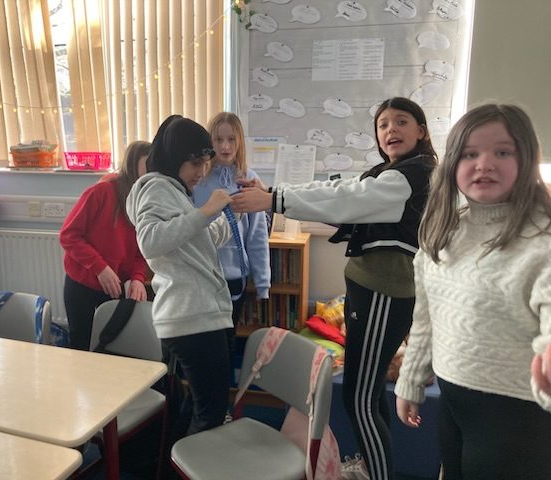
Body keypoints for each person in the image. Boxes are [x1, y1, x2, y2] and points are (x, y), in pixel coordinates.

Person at [232, 97, 438, 480]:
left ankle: (378, 473)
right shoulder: (390, 172)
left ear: (421, 131)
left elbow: (345, 200)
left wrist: (273, 199)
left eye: (401, 122)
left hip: (383, 294)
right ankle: (373, 467)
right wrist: (273, 191)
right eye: (383, 124)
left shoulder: (409, 177)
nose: (390, 130)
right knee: (368, 394)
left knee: (358, 398)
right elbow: (339, 188)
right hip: (369, 291)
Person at [394, 104, 551, 480]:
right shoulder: (443, 231)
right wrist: (410, 380)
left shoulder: (541, 240)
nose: (484, 164)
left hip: (516, 416)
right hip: (454, 403)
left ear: (526, 159)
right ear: (452, 164)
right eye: (469, 154)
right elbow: (426, 318)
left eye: (503, 152)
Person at [126, 114, 235, 440]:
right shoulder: (157, 188)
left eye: (205, 163)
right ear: (174, 159)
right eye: (195, 163)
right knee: (211, 413)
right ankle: (191, 463)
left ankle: (173, 462)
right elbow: (151, 241)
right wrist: (206, 211)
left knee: (199, 407)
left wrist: (231, 215)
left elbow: (196, 241)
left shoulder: (173, 190)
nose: (201, 172)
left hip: (196, 315)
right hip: (192, 318)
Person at [192, 112, 271, 374]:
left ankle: (222, 395)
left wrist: (263, 282)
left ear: (239, 142)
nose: (225, 147)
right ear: (210, 142)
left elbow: (256, 236)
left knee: (226, 342)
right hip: (202, 276)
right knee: (202, 344)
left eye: (231, 139)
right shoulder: (198, 179)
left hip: (234, 279)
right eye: (218, 140)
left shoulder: (249, 180)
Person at [59, 141, 150, 350]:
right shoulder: (102, 192)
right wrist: (100, 268)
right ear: (133, 164)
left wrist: (138, 279)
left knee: (110, 348)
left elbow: (141, 251)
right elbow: (68, 235)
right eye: (149, 164)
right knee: (81, 347)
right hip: (82, 284)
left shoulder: (147, 200)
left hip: (113, 289)